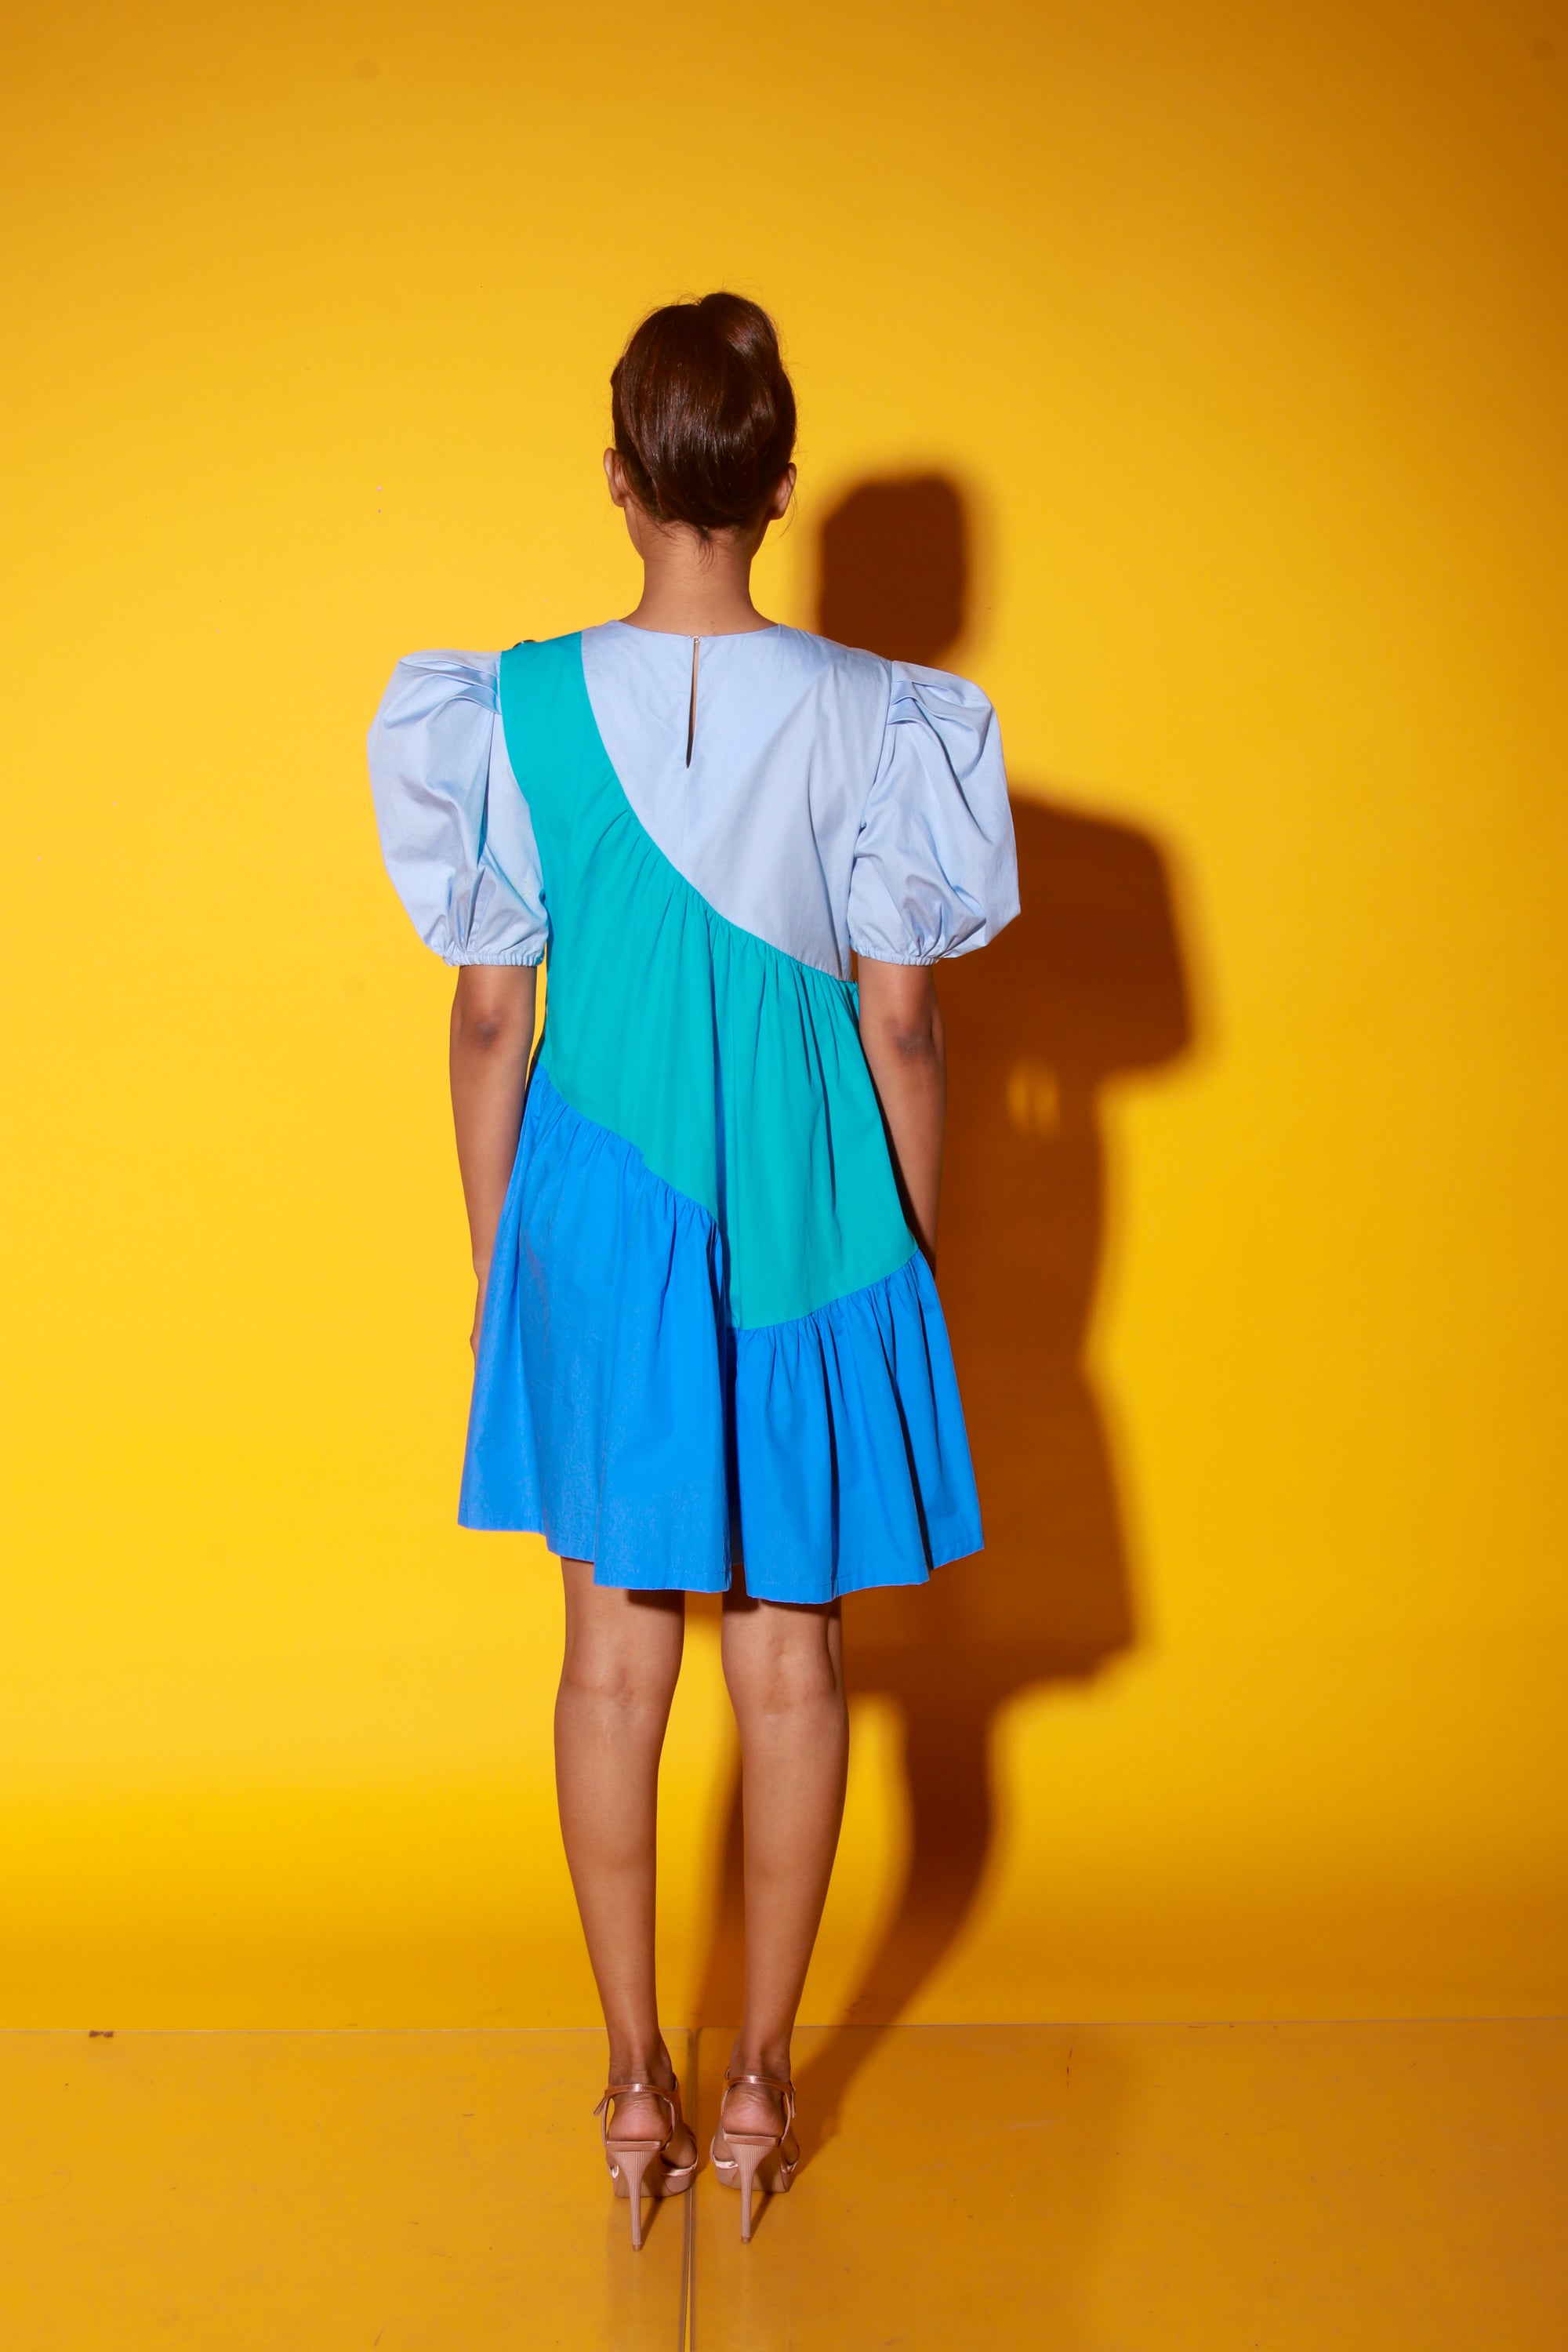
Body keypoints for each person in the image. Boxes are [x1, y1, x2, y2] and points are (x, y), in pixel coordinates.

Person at [367, 293, 1018, 2246]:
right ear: (780, 485)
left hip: (601, 1210)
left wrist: (507, 1260)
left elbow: (494, 1020)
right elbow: (901, 1028)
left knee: (609, 1661)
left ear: (623, 477)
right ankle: (757, 2089)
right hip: (813, 1209)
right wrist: (896, 1247)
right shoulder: (887, 720)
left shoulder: (513, 706)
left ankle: (633, 2083)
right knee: (796, 1665)